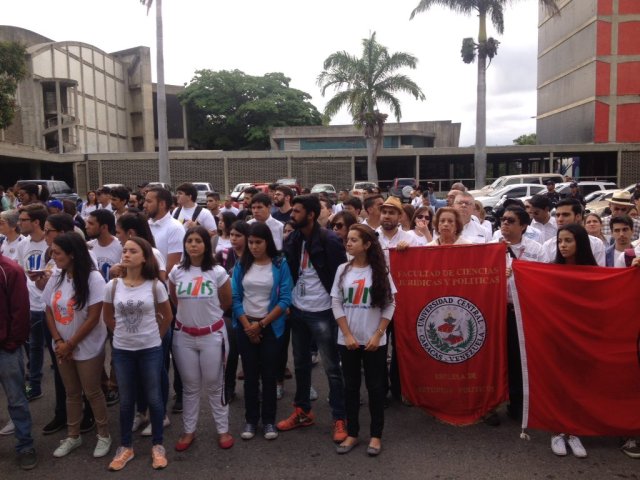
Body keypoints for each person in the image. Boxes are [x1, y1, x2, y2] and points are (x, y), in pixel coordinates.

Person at [277, 195, 348, 443]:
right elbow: (287, 272)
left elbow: (341, 277)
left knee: (331, 367)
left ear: (310, 214)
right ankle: (303, 410)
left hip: (323, 311)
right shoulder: (293, 239)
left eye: (296, 211)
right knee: (300, 364)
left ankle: (340, 416)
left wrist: (339, 310)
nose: (291, 215)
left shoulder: (329, 240)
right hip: (298, 310)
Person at [103, 237, 173, 471]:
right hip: (123, 350)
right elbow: (107, 316)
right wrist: (123, 334)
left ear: (144, 257)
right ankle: (125, 446)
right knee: (126, 400)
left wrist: (153, 336)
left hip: (150, 349)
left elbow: (167, 316)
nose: (126, 254)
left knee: (154, 397)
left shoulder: (155, 285)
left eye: (133, 251)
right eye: (124, 250)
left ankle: (158, 445)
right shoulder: (112, 285)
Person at [42, 232, 111, 459]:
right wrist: (60, 342)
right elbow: (49, 310)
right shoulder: (57, 276)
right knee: (71, 393)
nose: (53, 256)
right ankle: (73, 435)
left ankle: (103, 435)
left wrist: (71, 343)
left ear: (72, 254)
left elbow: (93, 317)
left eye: (57, 252)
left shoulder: (93, 279)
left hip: (87, 345)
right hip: (62, 345)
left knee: (92, 392)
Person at [332, 224, 396, 457]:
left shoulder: (381, 272)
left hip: (374, 342)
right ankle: (353, 433)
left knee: (376, 388)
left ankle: (376, 435)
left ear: (367, 245)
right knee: (350, 388)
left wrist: (378, 334)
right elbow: (336, 303)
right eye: (347, 239)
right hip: (347, 340)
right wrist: (347, 334)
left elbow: (390, 305)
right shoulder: (342, 270)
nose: (347, 243)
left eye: (353, 240)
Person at [169, 226, 234, 452]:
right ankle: (189, 430)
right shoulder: (176, 271)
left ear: (206, 244)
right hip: (184, 337)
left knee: (216, 385)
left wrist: (206, 317)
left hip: (212, 336)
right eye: (189, 241)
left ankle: (222, 430)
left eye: (198, 240)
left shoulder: (217, 271)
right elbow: (175, 299)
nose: (193, 244)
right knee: (190, 386)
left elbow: (226, 301)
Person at [232, 223, 292, 441]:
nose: (254, 246)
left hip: (270, 327)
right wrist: (248, 325)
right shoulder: (242, 264)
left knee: (269, 375)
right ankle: (250, 419)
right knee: (249, 375)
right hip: (245, 326)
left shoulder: (279, 263)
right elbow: (235, 297)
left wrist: (262, 324)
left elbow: (286, 298)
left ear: (268, 241)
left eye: (259, 242)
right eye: (251, 242)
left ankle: (268, 421)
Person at [550, 224, 595, 458]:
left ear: (580, 242)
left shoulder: (593, 272)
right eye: (560, 241)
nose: (563, 246)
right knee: (559, 383)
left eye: (568, 240)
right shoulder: (551, 271)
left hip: (583, 337)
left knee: (579, 384)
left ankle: (574, 431)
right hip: (558, 337)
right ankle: (558, 431)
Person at [0, 248, 37, 470]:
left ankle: (25, 445)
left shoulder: (10, 270)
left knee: (16, 399)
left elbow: (21, 311)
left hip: (6, 349)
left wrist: (12, 343)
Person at [17, 204, 49, 402]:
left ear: (36, 222)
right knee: (35, 347)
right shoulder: (23, 245)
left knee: (57, 351)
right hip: (32, 305)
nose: (20, 223)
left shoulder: (51, 243)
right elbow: (23, 274)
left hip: (51, 306)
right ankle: (35, 386)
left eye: (23, 220)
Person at [216, 220, 250, 403]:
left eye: (238, 236)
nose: (234, 239)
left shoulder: (253, 257)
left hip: (251, 310)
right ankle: (228, 387)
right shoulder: (225, 255)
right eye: (232, 235)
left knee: (250, 354)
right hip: (228, 311)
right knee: (229, 352)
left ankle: (253, 387)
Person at [541, 198, 605, 266]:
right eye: (557, 215)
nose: (560, 219)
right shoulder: (548, 246)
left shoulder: (596, 244)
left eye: (565, 215)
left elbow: (599, 273)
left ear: (578, 216)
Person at [86, 210, 122, 282]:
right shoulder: (89, 246)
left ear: (104, 227)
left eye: (91, 224)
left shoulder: (121, 247)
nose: (86, 226)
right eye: (87, 223)